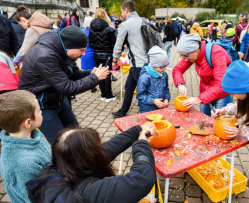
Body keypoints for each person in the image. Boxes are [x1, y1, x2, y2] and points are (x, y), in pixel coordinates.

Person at [18, 26, 110, 144]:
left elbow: (73, 73)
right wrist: (95, 78)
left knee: (76, 134)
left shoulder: (62, 50)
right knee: (60, 144)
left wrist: (91, 72)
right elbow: (67, 88)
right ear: (68, 47)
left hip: (57, 100)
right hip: (41, 107)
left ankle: (79, 159)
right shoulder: (45, 56)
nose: (83, 54)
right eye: (81, 50)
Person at [26, 122, 156, 203]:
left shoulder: (62, 167)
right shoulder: (88, 193)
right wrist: (142, 144)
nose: (101, 149)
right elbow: (142, 177)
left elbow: (107, 149)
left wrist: (137, 130)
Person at [211, 60, 249, 203]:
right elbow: (243, 102)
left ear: (244, 89)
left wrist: (244, 132)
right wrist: (225, 110)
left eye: (233, 93)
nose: (232, 95)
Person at [0, 90, 51, 203]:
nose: (41, 111)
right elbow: (37, 197)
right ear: (28, 123)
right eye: (38, 111)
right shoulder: (23, 164)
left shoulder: (34, 133)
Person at [173, 34, 233, 116]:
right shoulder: (190, 54)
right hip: (205, 91)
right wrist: (180, 84)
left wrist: (198, 99)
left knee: (220, 120)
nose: (185, 59)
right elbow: (177, 70)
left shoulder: (216, 53)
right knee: (203, 119)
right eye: (182, 56)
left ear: (195, 50)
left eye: (186, 56)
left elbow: (221, 84)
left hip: (222, 94)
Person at [111, 1, 148, 118]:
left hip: (138, 63)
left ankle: (147, 112)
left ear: (126, 11)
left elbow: (118, 45)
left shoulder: (125, 25)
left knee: (143, 90)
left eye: (122, 11)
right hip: (146, 62)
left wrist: (114, 60)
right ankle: (123, 111)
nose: (121, 13)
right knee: (129, 87)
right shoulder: (145, 20)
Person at [89, 8, 117, 102]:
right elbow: (114, 44)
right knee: (107, 74)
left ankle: (103, 94)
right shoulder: (110, 29)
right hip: (108, 54)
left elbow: (90, 43)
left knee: (99, 73)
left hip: (96, 54)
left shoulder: (91, 29)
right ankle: (108, 95)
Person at [136, 46, 170, 113]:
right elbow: (140, 96)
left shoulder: (164, 74)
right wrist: (154, 101)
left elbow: (166, 88)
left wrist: (166, 99)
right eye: (162, 66)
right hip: (147, 110)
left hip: (160, 108)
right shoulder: (144, 77)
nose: (165, 68)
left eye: (166, 65)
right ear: (154, 65)